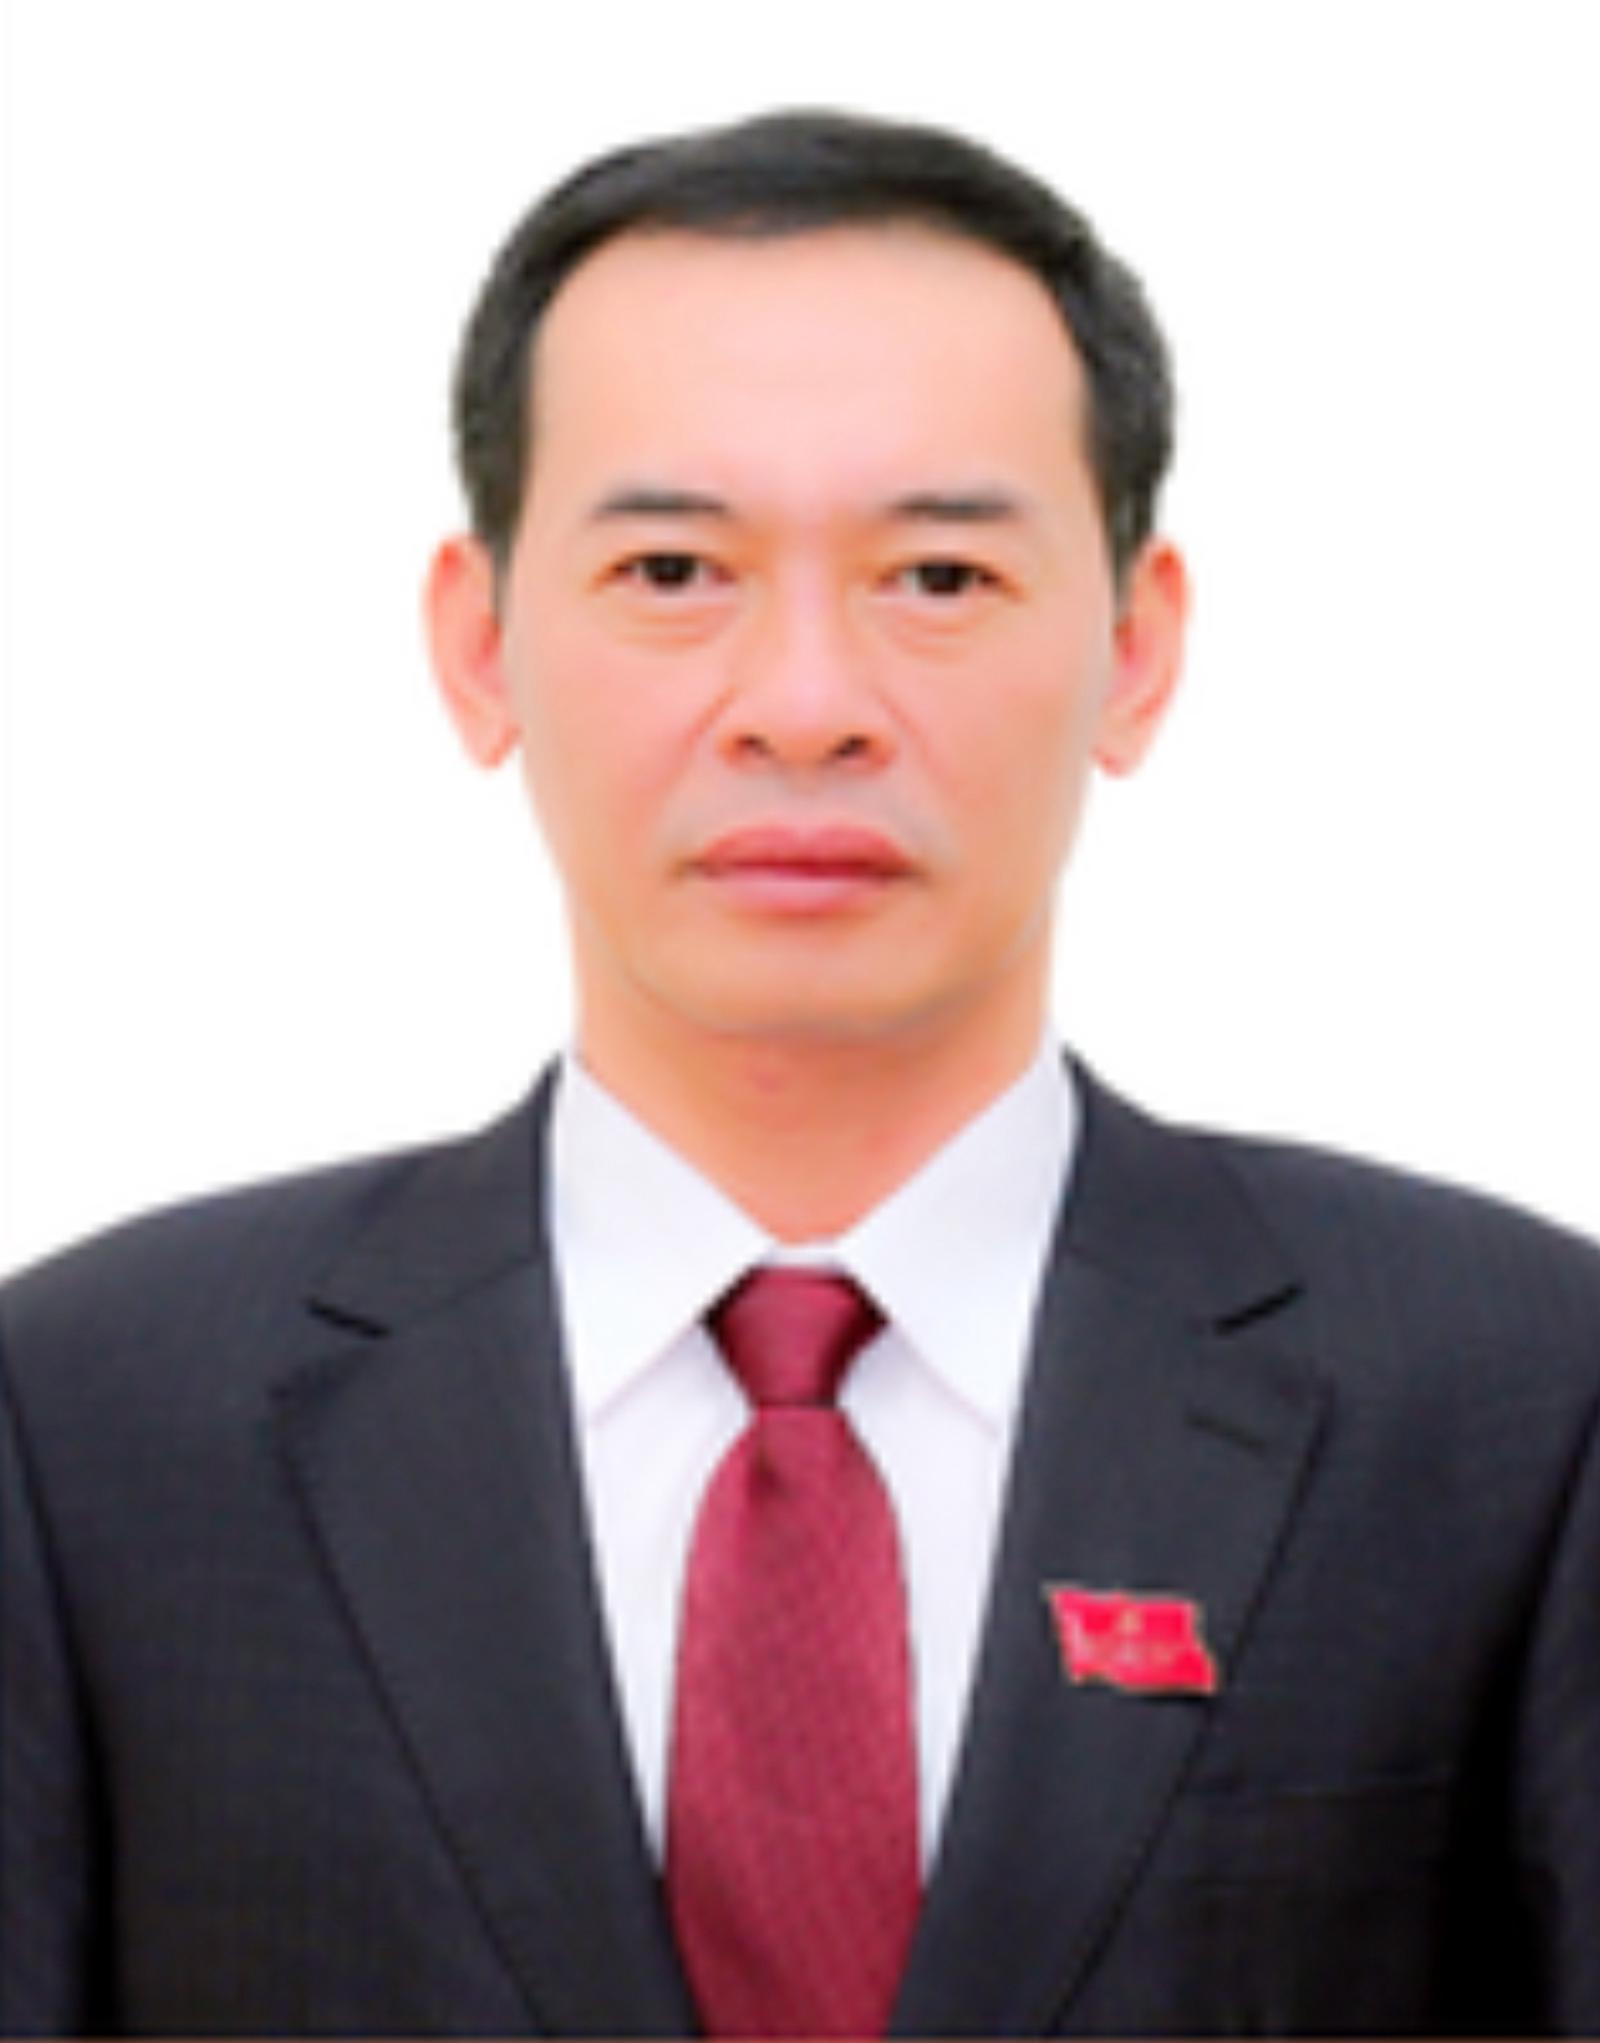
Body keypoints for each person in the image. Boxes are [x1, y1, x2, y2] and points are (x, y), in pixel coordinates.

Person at [3, 108, 1598, 2040]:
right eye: (675, 567)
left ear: (1136, 648)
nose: (809, 705)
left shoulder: (1517, 1398)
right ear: (482, 647)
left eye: (941, 578)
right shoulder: (89, 1423)